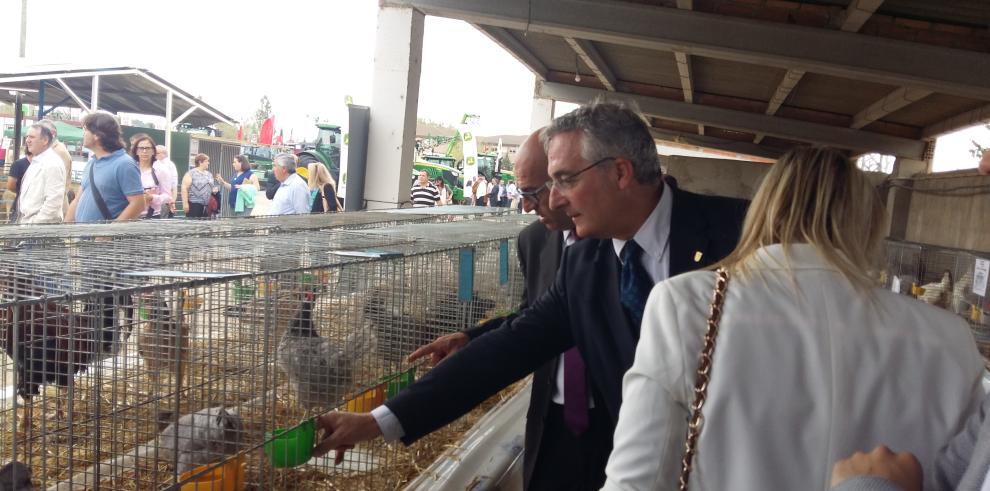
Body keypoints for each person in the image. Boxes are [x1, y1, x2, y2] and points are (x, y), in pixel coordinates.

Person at [310, 101, 748, 489]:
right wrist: (378, 420)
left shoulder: (743, 234)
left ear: (620, 172)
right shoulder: (583, 264)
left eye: (564, 180)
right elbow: (513, 345)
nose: (554, 199)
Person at [602, 146, 984, 491]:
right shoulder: (949, 337)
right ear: (870, 222)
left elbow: (635, 482)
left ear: (765, 209)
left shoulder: (685, 304)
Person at [409, 128, 587, 490]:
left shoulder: (620, 244)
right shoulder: (533, 240)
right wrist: (472, 339)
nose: (525, 206)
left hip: (614, 422)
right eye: (521, 193)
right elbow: (533, 319)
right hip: (552, 420)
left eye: (532, 192)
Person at [65, 111, 145, 223]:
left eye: (86, 130)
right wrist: (65, 227)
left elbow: (138, 204)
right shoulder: (91, 163)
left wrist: (108, 233)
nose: (83, 134)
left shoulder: (124, 164)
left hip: (104, 239)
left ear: (97, 135)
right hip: (84, 238)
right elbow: (78, 200)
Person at [17, 123, 66, 224]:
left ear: (45, 140)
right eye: (27, 137)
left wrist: (34, 224)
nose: (27, 140)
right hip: (29, 225)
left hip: (38, 229)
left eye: (32, 137)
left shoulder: (52, 163)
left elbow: (53, 202)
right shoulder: (39, 160)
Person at [130, 135, 171, 219]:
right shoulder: (129, 169)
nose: (144, 151)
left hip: (152, 216)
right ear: (136, 151)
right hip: (130, 216)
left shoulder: (160, 170)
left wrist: (152, 198)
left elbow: (167, 196)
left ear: (153, 151)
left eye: (148, 148)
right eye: (141, 148)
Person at [36, 119, 73, 214]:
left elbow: (56, 187)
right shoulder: (49, 151)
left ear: (52, 133)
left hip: (52, 209)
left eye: (40, 133)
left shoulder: (59, 152)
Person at [181, 153, 217, 218]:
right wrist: (185, 203)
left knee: (205, 227)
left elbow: (212, 187)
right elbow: (184, 188)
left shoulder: (209, 174)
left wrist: (214, 190)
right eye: (207, 161)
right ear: (200, 162)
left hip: (207, 206)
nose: (208, 163)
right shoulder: (191, 173)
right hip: (194, 205)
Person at [6, 140, 31, 223]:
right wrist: (21, 191)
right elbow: (10, 185)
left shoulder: (43, 164)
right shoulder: (18, 164)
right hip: (20, 205)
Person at [155, 145, 179, 215]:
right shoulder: (155, 163)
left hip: (164, 200)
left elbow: (173, 185)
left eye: (157, 153)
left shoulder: (168, 165)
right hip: (159, 199)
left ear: (164, 154)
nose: (155, 155)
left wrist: (172, 201)